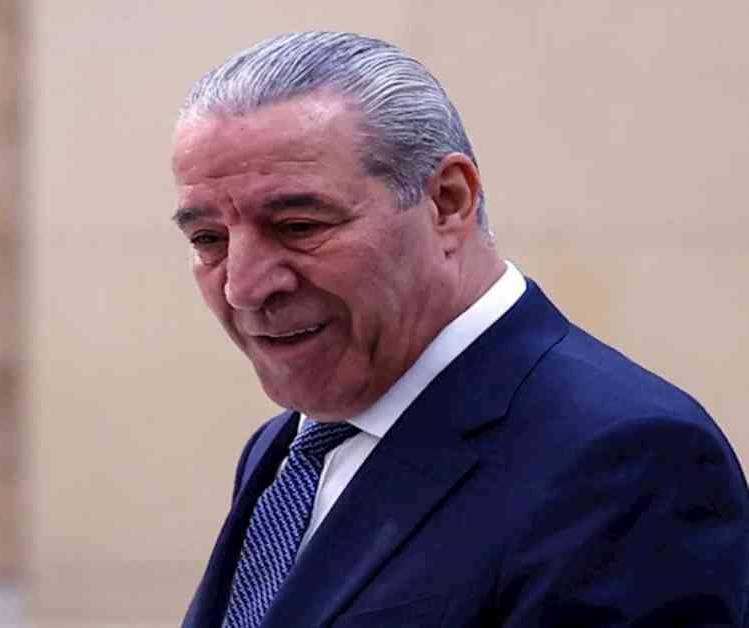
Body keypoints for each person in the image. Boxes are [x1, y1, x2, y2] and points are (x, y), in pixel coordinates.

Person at [170, 31, 749, 628]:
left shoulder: (627, 458)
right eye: (208, 239)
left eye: (298, 226)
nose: (244, 287)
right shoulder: (289, 449)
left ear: (447, 202)